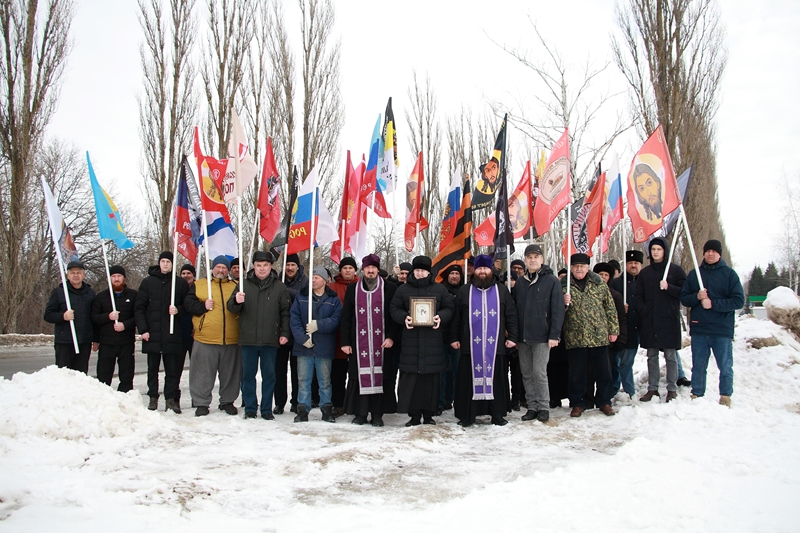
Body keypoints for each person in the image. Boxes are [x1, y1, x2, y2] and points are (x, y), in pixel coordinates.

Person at [450, 254, 519, 426]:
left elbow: (511, 315)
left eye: (485, 268)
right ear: (474, 271)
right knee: (468, 381)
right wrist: (453, 338)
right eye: (479, 268)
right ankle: (468, 415)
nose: (482, 271)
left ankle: (497, 414)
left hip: (495, 346)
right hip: (469, 346)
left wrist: (513, 337)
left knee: (496, 380)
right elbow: (456, 317)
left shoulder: (501, 291)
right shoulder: (464, 291)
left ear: (491, 270)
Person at [390, 255, 455, 426]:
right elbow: (394, 308)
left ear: (429, 272)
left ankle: (428, 414)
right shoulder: (403, 290)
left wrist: (440, 317)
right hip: (410, 342)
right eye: (417, 270)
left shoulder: (439, 289)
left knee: (430, 382)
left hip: (433, 343)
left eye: (423, 270)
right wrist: (404, 317)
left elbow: (449, 308)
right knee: (412, 381)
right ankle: (414, 415)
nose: (420, 273)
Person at [227, 251, 291, 419]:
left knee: (269, 375)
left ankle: (266, 409)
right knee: (248, 375)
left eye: (265, 265)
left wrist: (284, 332)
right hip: (248, 339)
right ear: (253, 266)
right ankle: (250, 407)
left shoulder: (279, 286)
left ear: (271, 266)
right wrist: (236, 301)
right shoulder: (243, 284)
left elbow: (285, 312)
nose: (262, 269)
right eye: (258, 265)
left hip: (270, 339)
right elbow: (231, 308)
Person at [680, 239, 744, 407]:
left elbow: (738, 301)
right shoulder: (695, 274)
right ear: (703, 253)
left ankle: (725, 396)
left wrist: (713, 303)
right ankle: (697, 394)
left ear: (719, 253)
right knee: (698, 365)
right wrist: (697, 297)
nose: (710, 253)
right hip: (700, 328)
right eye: (707, 251)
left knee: (725, 365)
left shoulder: (729, 275)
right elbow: (684, 298)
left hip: (721, 329)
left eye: (714, 251)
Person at [341, 254, 399, 426]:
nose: (371, 270)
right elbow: (346, 317)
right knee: (359, 377)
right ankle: (360, 413)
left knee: (381, 377)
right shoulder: (353, 288)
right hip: (359, 344)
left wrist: (391, 337)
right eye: (368, 268)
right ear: (363, 269)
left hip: (382, 344)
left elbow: (394, 316)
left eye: (374, 268)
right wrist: (345, 342)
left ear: (378, 269)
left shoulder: (389, 288)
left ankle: (377, 414)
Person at [512, 244, 565, 423]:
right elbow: (515, 309)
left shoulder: (551, 281)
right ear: (525, 260)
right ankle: (532, 406)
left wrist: (554, 335)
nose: (532, 260)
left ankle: (543, 407)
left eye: (536, 257)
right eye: (529, 257)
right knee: (526, 372)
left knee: (539, 372)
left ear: (542, 259)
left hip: (543, 336)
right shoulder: (520, 282)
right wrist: (514, 335)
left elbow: (557, 310)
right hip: (523, 337)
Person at [562, 253, 619, 417]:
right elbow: (557, 312)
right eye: (576, 266)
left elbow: (610, 308)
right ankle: (578, 402)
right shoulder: (564, 286)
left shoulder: (599, 284)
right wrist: (563, 301)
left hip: (598, 335)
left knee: (603, 371)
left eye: (582, 266)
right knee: (576, 373)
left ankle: (604, 401)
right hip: (575, 336)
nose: (579, 269)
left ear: (588, 268)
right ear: (571, 268)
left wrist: (613, 330)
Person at [184, 255, 241, 417]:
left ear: (228, 270)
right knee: (202, 373)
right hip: (205, 338)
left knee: (231, 373)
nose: (221, 270)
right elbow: (188, 304)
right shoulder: (200, 284)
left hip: (231, 338)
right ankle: (201, 403)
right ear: (213, 268)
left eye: (224, 267)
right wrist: (202, 306)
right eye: (218, 267)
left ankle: (227, 401)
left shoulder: (236, 286)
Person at [134, 252, 189, 413]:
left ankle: (170, 399)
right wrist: (143, 330)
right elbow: (140, 308)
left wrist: (178, 310)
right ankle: (152, 397)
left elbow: (188, 306)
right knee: (152, 369)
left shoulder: (179, 284)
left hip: (172, 334)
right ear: (159, 263)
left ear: (172, 264)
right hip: (152, 334)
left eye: (168, 261)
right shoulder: (148, 283)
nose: (165, 264)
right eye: (163, 261)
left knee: (172, 370)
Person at [636, 238, 686, 402]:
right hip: (650, 320)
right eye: (653, 249)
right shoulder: (645, 273)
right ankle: (653, 388)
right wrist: (644, 311)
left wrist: (669, 287)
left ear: (665, 251)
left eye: (659, 249)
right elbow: (639, 295)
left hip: (669, 319)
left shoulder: (675, 271)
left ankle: (672, 388)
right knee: (652, 355)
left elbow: (684, 292)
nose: (655, 252)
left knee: (670, 356)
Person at [290, 266, 343, 422]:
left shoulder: (333, 299)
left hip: (324, 347)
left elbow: (336, 320)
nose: (313, 280)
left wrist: (319, 325)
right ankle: (302, 410)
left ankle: (326, 409)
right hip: (304, 347)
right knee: (303, 380)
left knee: (325, 381)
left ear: (325, 280)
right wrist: (302, 338)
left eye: (317, 277)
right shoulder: (302, 297)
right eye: (312, 277)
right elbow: (294, 319)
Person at [274, 253, 315, 414]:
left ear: (298, 267)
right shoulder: (277, 281)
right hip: (280, 333)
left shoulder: (306, 282)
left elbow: (305, 299)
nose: (289, 268)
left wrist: (286, 290)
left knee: (299, 371)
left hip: (299, 333)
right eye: (287, 265)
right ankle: (279, 402)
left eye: (293, 265)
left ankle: (297, 401)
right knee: (279, 370)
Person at [44, 260, 97, 374]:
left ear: (84, 275)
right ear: (67, 275)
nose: (76, 275)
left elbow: (94, 317)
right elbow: (48, 315)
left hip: (84, 340)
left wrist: (95, 339)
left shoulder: (90, 293)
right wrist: (63, 316)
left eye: (78, 272)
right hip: (65, 341)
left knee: (81, 374)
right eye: (73, 273)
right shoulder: (59, 292)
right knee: (64, 374)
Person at [91, 265, 137, 392]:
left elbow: (139, 316)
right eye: (114, 276)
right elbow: (94, 318)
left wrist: (125, 325)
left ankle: (126, 398)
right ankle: (105, 398)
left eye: (119, 276)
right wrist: (108, 316)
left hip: (126, 342)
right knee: (104, 375)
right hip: (107, 342)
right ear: (109, 279)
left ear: (124, 279)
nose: (116, 279)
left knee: (126, 375)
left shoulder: (133, 296)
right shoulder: (101, 297)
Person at [589, 262, 627, 407]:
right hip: (591, 339)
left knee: (606, 372)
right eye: (600, 274)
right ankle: (588, 399)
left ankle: (604, 399)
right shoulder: (589, 292)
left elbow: (620, 318)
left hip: (609, 341)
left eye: (606, 275)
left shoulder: (615, 295)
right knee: (590, 372)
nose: (603, 277)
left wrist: (620, 337)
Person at [329, 256, 360, 418]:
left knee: (356, 375)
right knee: (338, 375)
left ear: (355, 270)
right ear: (340, 270)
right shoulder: (332, 288)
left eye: (350, 268)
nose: (348, 270)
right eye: (345, 268)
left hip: (358, 338)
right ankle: (338, 404)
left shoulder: (361, 285)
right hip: (337, 338)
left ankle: (356, 405)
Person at [610, 250, 644, 398]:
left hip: (643, 326)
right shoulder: (618, 283)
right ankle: (625, 390)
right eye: (630, 263)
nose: (633, 266)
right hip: (625, 328)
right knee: (623, 361)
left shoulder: (645, 281)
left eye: (636, 263)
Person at [439, 264, 464, 413]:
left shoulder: (465, 290)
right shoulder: (441, 290)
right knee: (443, 372)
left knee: (457, 372)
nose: (454, 276)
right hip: (441, 337)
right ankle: (442, 402)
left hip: (459, 339)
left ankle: (456, 400)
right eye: (452, 273)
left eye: (457, 273)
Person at [179, 264, 196, 361]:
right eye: (183, 273)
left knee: (196, 367)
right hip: (180, 335)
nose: (186, 276)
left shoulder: (199, 289)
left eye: (188, 273)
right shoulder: (175, 290)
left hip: (195, 335)